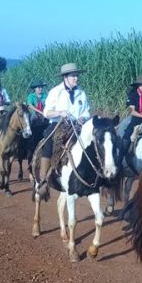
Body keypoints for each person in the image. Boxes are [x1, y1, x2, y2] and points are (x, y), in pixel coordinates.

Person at [35, 63, 91, 193]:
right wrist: (60, 113)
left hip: (77, 125)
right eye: (73, 76)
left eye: (76, 76)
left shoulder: (81, 93)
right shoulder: (55, 92)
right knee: (49, 141)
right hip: (58, 124)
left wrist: (82, 118)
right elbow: (47, 112)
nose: (76, 78)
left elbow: (87, 111)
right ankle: (43, 180)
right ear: (65, 77)